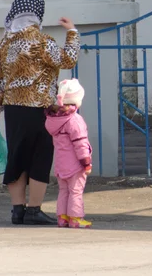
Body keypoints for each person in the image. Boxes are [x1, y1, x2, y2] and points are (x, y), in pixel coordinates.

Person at [0, 0, 80, 225]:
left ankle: (17, 210)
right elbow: (68, 60)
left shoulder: (5, 43)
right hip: (38, 107)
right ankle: (34, 210)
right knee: (40, 155)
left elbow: (0, 79)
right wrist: (72, 32)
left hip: (13, 109)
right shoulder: (42, 41)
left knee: (17, 156)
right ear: (37, 14)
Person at [45, 78, 93, 229]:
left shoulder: (53, 120)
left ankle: (62, 217)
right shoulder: (75, 120)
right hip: (75, 165)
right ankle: (76, 218)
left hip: (60, 164)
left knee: (63, 190)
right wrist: (86, 162)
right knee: (76, 191)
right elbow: (80, 143)